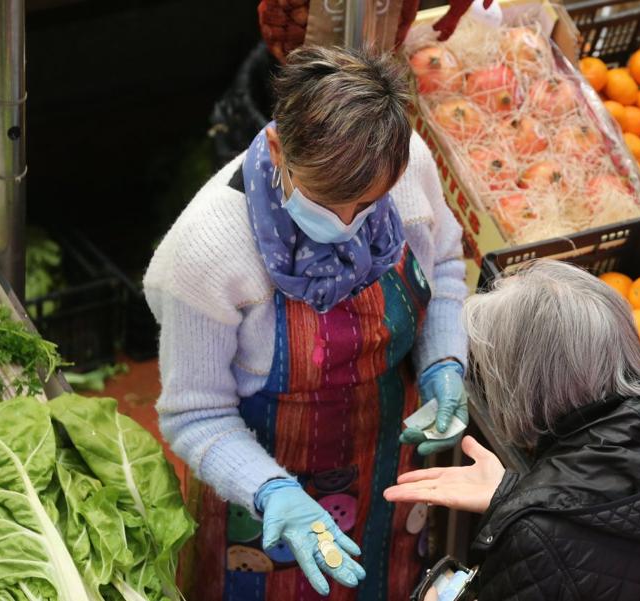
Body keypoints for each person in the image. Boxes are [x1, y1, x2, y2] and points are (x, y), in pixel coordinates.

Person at [144, 46, 469, 601]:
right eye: (326, 201)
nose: (347, 226)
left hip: (390, 467)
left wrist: (444, 361)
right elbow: (194, 414)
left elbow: (444, 263)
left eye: (367, 205)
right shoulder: (207, 253)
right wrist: (272, 490)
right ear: (276, 147)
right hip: (262, 503)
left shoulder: (408, 164)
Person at [385, 260, 640, 601]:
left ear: (524, 388)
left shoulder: (537, 541)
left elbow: (575, 549)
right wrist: (518, 498)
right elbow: (628, 531)